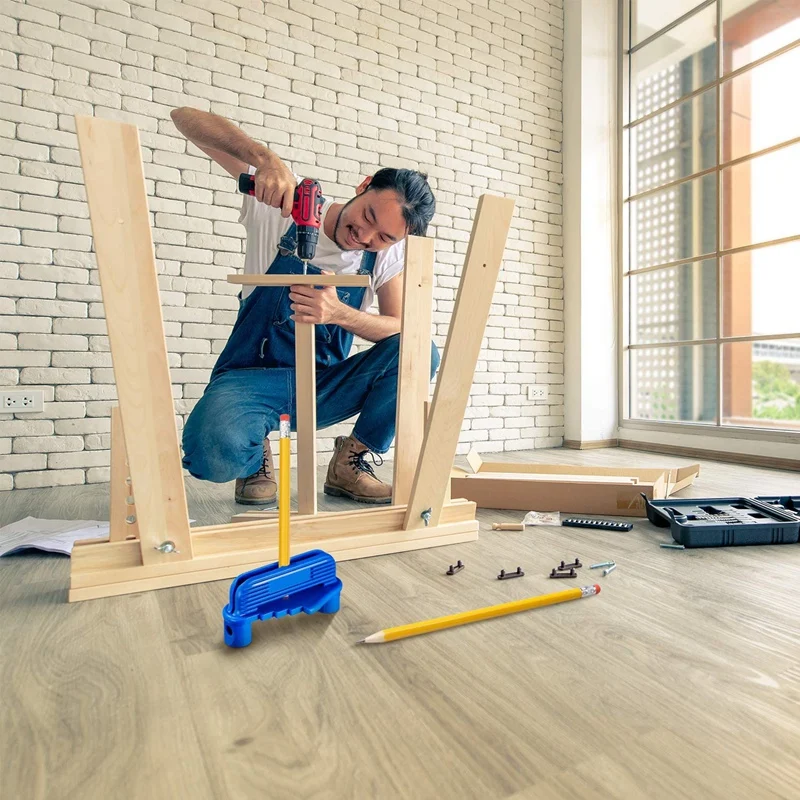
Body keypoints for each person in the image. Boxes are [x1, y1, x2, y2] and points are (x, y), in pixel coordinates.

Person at [172, 108, 439, 507]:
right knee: (210, 455)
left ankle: (350, 461)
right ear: (364, 186)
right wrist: (264, 160)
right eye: (367, 216)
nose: (365, 235)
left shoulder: (385, 258)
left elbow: (405, 328)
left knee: (420, 350)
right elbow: (184, 119)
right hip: (251, 381)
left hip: (321, 385)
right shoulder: (286, 206)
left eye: (383, 236)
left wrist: (340, 314)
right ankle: (251, 457)